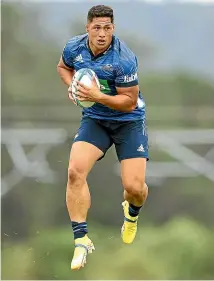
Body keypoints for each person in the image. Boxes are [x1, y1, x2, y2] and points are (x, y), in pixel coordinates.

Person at [57, 4, 149, 271]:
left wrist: (97, 96)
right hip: (95, 120)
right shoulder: (74, 48)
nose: (101, 34)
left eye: (107, 28)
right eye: (96, 28)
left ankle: (131, 215)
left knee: (134, 189)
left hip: (128, 123)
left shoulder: (124, 59)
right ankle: (81, 238)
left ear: (113, 29)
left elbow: (129, 103)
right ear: (87, 28)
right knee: (75, 171)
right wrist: (73, 87)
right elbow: (63, 67)